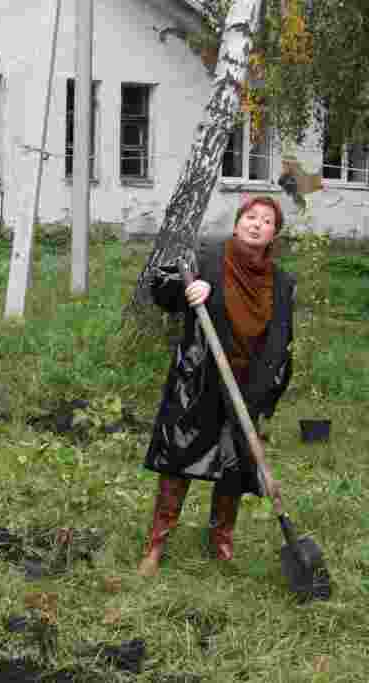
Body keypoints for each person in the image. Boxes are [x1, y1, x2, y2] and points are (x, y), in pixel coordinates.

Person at [137, 196, 296, 576]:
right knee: (178, 459)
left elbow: (282, 341)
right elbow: (162, 287)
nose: (257, 224)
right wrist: (188, 289)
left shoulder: (281, 281)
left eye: (267, 221)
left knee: (234, 466)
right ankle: (157, 544)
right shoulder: (206, 259)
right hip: (201, 378)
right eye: (250, 217)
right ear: (238, 221)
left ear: (275, 232)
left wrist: (270, 390)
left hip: (248, 384)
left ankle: (221, 541)